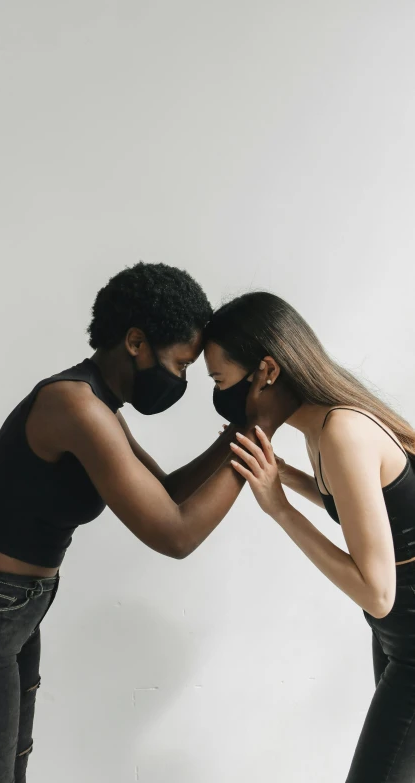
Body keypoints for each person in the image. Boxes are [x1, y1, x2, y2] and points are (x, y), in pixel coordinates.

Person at [0, 263, 296, 783]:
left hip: (6, 610)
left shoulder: (102, 408)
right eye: (179, 365)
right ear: (136, 341)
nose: (179, 382)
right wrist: (263, 426)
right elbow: (175, 534)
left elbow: (168, 494)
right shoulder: (75, 406)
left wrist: (237, 436)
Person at [204, 290, 415, 783]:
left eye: (220, 380)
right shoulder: (321, 426)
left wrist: (279, 509)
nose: (217, 394)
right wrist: (288, 476)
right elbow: (365, 510)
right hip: (395, 637)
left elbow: (378, 593)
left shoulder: (342, 430)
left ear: (268, 370)